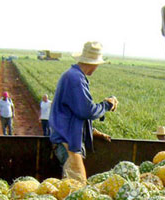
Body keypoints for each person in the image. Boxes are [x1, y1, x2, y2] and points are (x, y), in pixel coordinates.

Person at [49, 41, 117, 183]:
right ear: (93, 63)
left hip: (67, 140)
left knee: (72, 187)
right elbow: (86, 111)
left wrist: (93, 131)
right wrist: (107, 105)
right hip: (68, 143)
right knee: (77, 188)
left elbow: (72, 113)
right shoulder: (75, 78)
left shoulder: (73, 75)